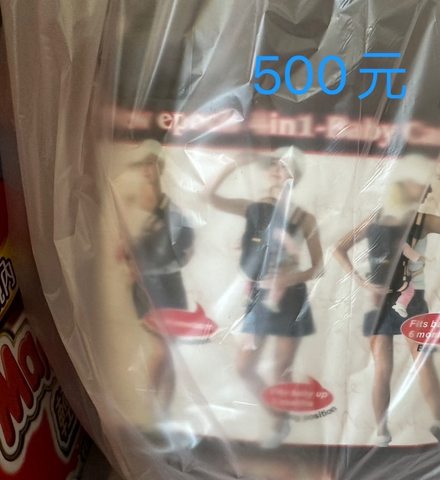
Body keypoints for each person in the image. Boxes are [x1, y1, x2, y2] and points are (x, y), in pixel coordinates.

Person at [334, 157, 440, 448]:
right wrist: (360, 281)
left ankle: (430, 424)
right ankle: (384, 430)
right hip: (385, 298)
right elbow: (339, 248)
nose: (426, 191)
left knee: (419, 363)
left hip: (404, 299)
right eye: (422, 185)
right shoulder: (381, 218)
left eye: (426, 187)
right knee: (386, 367)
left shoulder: (419, 220)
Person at [209, 146, 323, 449]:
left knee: (280, 370)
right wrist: (234, 164)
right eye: (274, 165)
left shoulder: (304, 218)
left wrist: (287, 278)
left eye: (284, 167)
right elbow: (209, 196)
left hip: (290, 298)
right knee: (244, 367)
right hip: (258, 296)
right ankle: (280, 418)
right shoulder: (254, 209)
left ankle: (279, 425)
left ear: (294, 176)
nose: (276, 171)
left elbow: (318, 267)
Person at [117, 140, 195, 412]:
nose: (146, 170)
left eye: (150, 164)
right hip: (148, 287)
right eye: (143, 165)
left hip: (170, 285)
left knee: (170, 353)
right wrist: (133, 265)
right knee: (163, 350)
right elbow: (126, 248)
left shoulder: (172, 209)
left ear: (159, 167)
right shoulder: (134, 205)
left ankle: (162, 413)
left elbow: (187, 248)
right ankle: (151, 409)